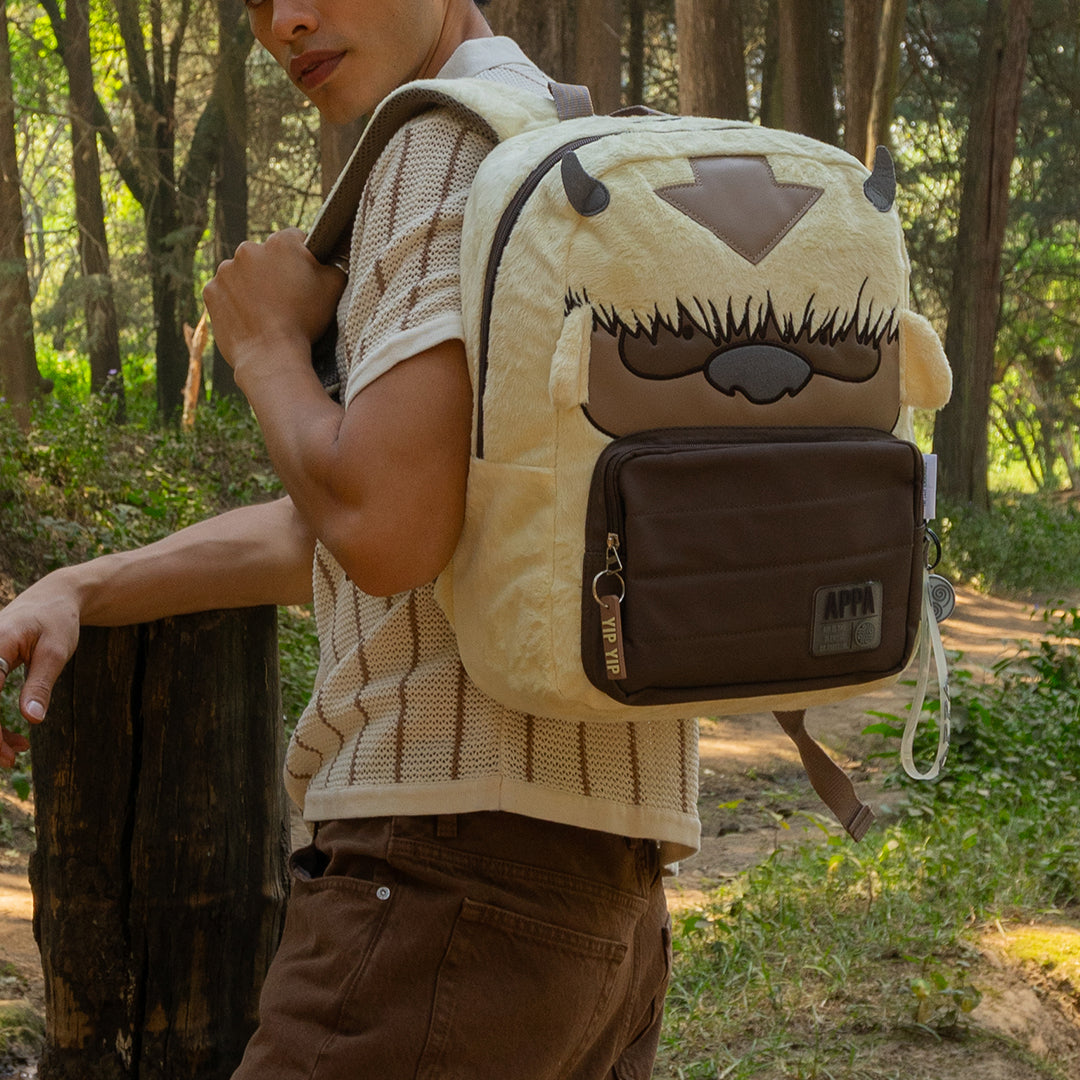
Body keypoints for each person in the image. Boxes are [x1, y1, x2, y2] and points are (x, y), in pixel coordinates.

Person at [0, 1, 700, 1075]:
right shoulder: (559, 140)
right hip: (604, 898)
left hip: (441, 887)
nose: (284, 21)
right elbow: (373, 529)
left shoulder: (439, 138)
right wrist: (82, 587)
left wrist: (265, 345)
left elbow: (382, 527)